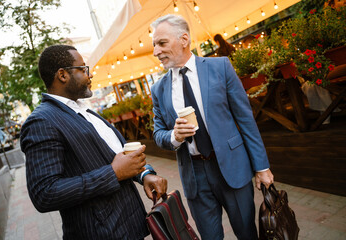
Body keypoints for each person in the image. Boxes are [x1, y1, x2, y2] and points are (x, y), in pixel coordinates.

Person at [20, 45, 167, 240]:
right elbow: (44, 193)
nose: (90, 75)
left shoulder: (83, 109)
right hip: (101, 233)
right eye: (82, 69)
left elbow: (115, 155)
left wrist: (144, 175)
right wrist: (113, 173)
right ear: (62, 75)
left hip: (129, 226)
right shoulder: (42, 121)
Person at [150, 14, 274, 240]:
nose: (156, 51)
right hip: (194, 176)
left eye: (162, 43)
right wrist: (174, 136)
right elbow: (158, 133)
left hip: (232, 167)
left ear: (184, 39)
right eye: (154, 45)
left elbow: (245, 120)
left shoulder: (220, 67)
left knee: (248, 234)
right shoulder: (158, 89)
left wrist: (262, 167)